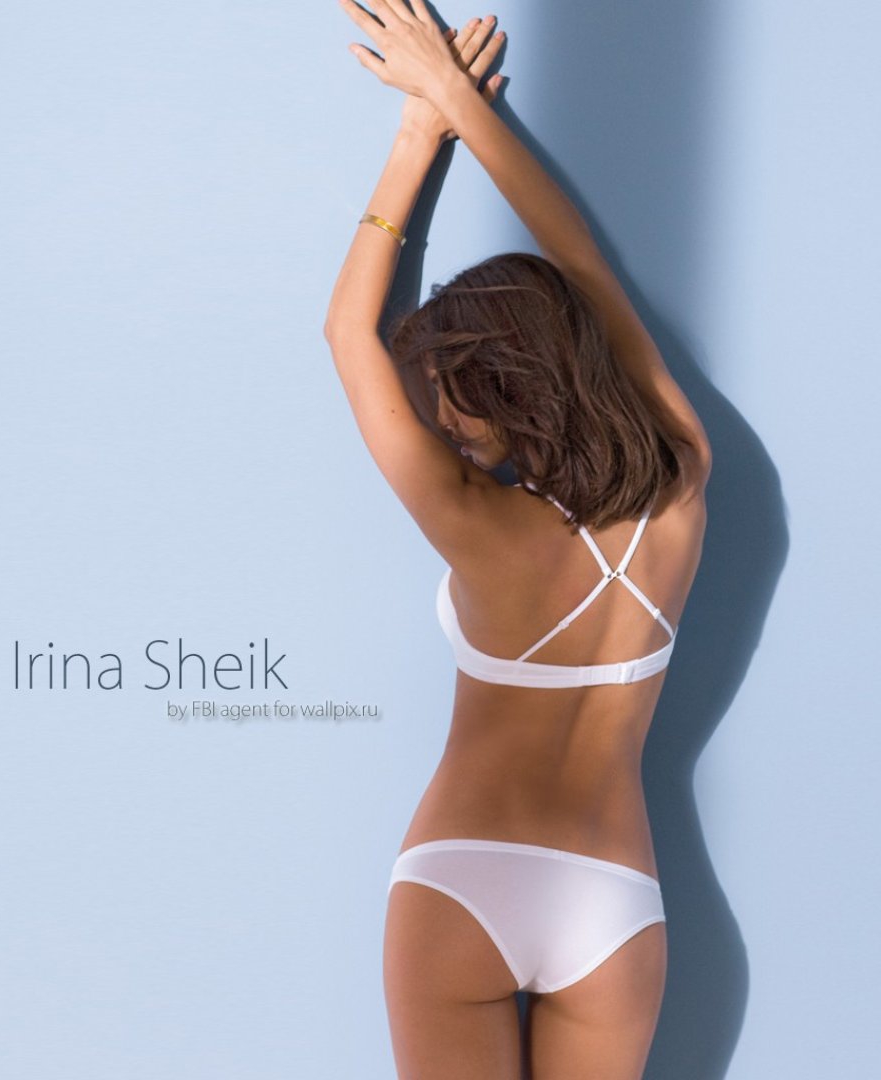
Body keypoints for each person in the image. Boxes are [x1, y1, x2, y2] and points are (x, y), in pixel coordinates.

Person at [324, 5, 711, 1078]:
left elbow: (348, 334)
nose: (445, 428)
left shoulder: (476, 524)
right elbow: (584, 269)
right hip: (615, 904)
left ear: (510, 391)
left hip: (462, 881)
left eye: (454, 407)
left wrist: (421, 134)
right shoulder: (684, 481)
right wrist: (457, 99)